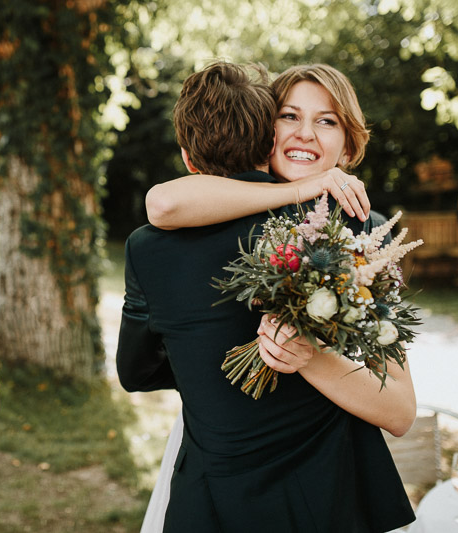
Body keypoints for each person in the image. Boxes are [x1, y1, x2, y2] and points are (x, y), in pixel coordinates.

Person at [116, 62, 416, 532]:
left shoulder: (365, 235)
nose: (305, 135)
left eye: (327, 120)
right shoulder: (196, 207)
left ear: (350, 144)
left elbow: (398, 410)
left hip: (328, 488)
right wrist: (303, 188)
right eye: (289, 116)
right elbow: (165, 204)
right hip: (220, 490)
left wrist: (308, 357)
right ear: (262, 129)